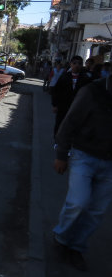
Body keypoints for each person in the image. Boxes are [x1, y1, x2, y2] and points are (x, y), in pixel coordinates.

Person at [52, 74, 112, 271]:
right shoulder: (93, 91)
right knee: (79, 201)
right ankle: (61, 239)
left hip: (109, 163)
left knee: (96, 211)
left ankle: (76, 247)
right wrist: (61, 154)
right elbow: (69, 122)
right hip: (84, 155)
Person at [51, 56, 91, 136]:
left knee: (74, 126)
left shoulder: (85, 78)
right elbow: (56, 91)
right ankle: (57, 141)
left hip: (78, 107)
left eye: (79, 63)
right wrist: (55, 105)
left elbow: (88, 94)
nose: (77, 65)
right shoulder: (64, 76)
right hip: (63, 106)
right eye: (74, 63)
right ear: (70, 64)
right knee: (60, 123)